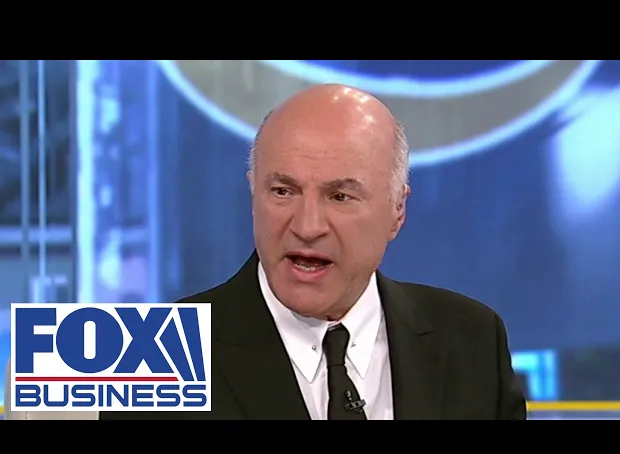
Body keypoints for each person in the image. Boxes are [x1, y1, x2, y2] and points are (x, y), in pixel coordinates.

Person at [101, 83, 527, 420]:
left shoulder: (472, 339)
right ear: (253, 194)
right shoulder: (155, 356)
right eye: (282, 191)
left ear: (397, 211)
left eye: (340, 197)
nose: (306, 227)